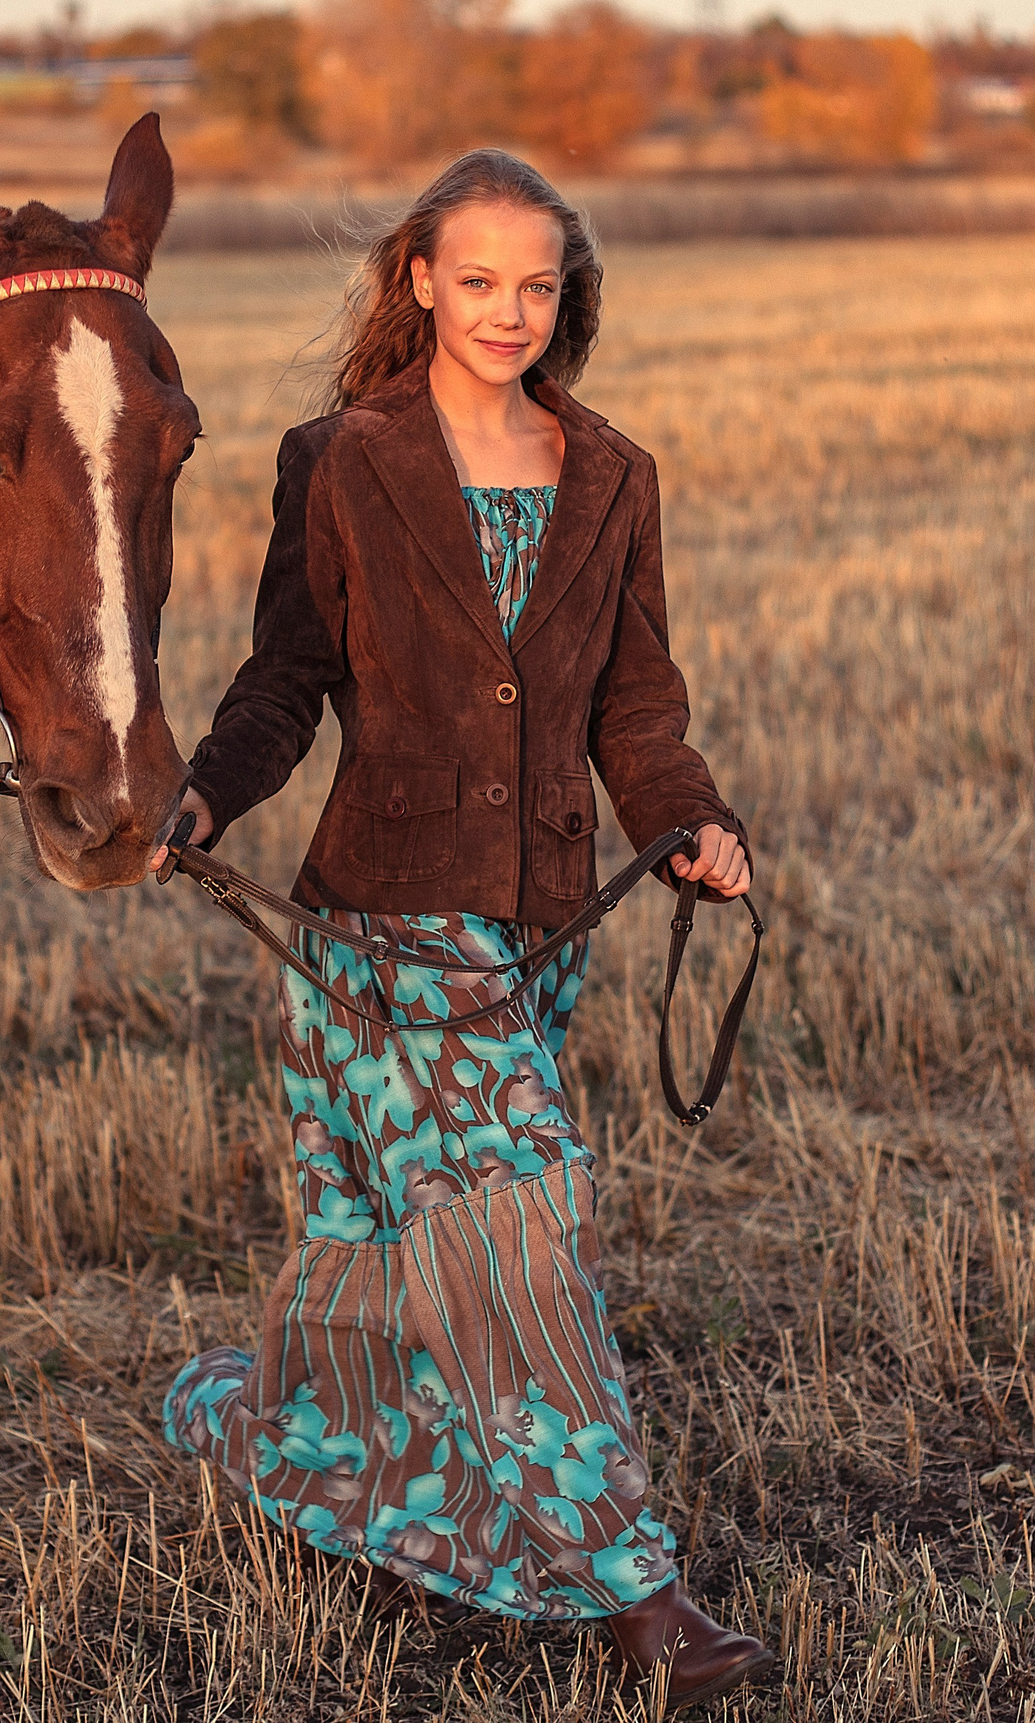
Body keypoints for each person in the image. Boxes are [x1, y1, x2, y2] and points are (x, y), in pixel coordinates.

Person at [151, 148, 771, 1707]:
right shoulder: (342, 461)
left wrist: (685, 818)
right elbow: (286, 680)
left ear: (570, 294)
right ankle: (642, 1596)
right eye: (478, 278)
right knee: (514, 1224)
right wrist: (206, 799)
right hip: (380, 937)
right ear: (419, 278)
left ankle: (322, 1461)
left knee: (387, 1245)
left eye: (539, 283)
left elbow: (637, 706)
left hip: (544, 924)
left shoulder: (613, 471)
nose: (510, 310)